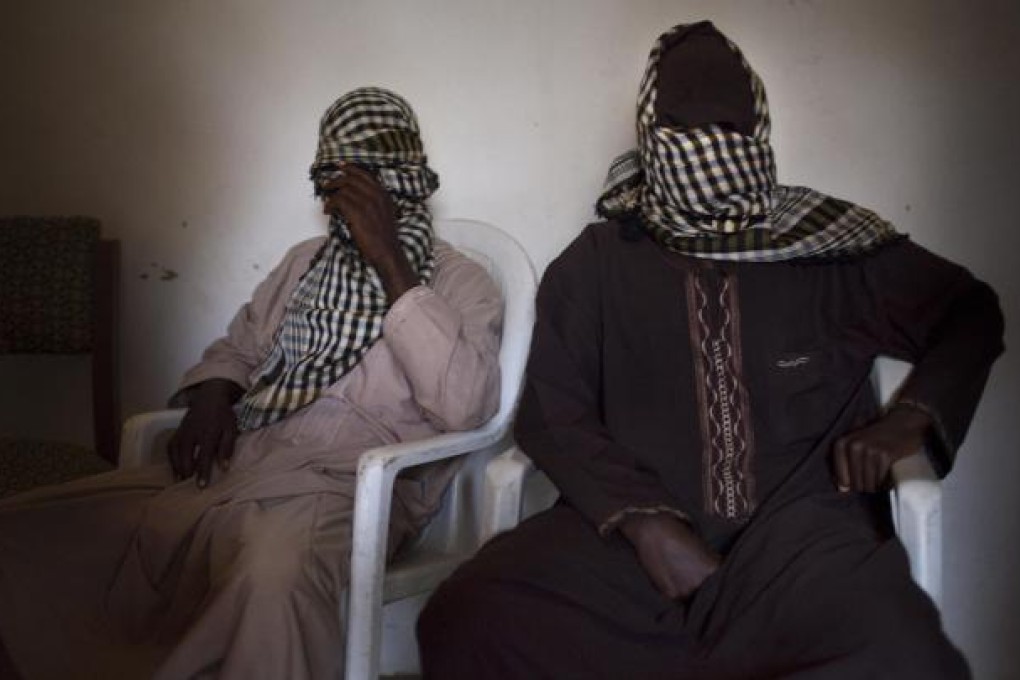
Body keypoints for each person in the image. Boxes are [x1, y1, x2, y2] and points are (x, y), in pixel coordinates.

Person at [418, 22, 1003, 679]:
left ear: (758, 131)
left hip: (805, 542)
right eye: (685, 138)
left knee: (903, 659)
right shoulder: (595, 265)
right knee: (469, 615)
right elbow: (556, 414)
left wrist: (909, 418)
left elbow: (970, 310)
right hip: (629, 547)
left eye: (728, 134)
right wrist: (646, 524)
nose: (711, 157)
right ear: (651, 141)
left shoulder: (834, 248)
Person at [0, 87, 503, 679]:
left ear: (405, 178)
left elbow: (466, 407)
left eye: (366, 180)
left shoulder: (460, 281)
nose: (343, 199)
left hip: (344, 488)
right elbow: (238, 346)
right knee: (27, 530)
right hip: (238, 466)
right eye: (333, 178)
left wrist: (389, 256)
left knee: (274, 576)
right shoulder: (305, 264)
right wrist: (212, 396)